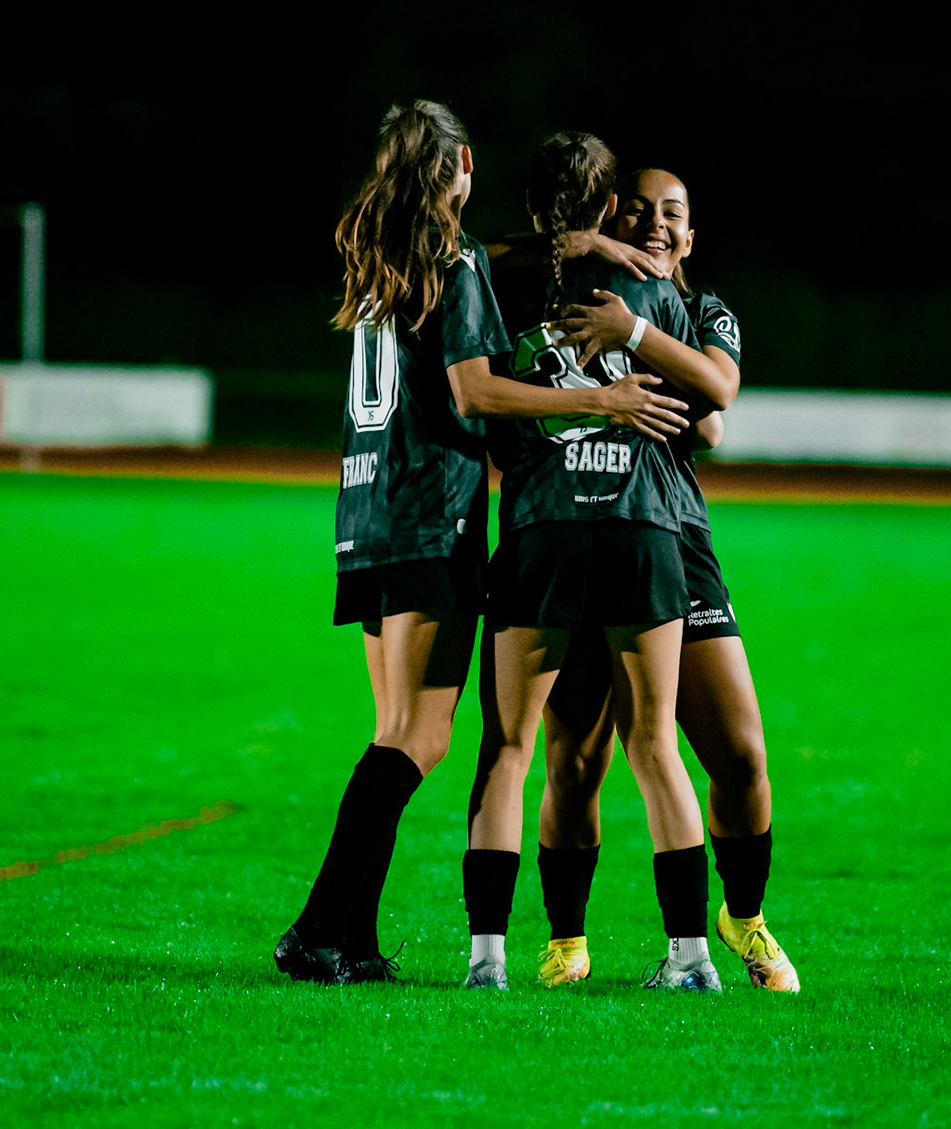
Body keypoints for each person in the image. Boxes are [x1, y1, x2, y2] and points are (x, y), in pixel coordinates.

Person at [275, 103, 689, 985]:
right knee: (415, 741)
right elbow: (473, 394)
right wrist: (602, 402)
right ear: (463, 160)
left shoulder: (387, 257)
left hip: (366, 514)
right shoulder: (451, 260)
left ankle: (344, 935)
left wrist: (586, 248)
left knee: (396, 732)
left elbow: (494, 265)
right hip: (432, 519)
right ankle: (319, 928)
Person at [462, 133, 721, 993]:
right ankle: (692, 959)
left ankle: (488, 960)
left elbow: (485, 404)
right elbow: (705, 415)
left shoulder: (491, 277)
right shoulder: (653, 288)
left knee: (512, 747)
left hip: (541, 522)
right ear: (612, 206)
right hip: (645, 527)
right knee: (655, 746)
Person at [534, 168, 800, 992]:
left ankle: (743, 917)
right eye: (637, 210)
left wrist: (633, 332)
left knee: (741, 756)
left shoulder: (701, 309)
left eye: (672, 214)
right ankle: (566, 942)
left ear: (690, 238)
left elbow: (717, 397)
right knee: (576, 760)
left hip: (673, 539)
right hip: (579, 529)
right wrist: (575, 252)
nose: (654, 223)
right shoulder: (573, 289)